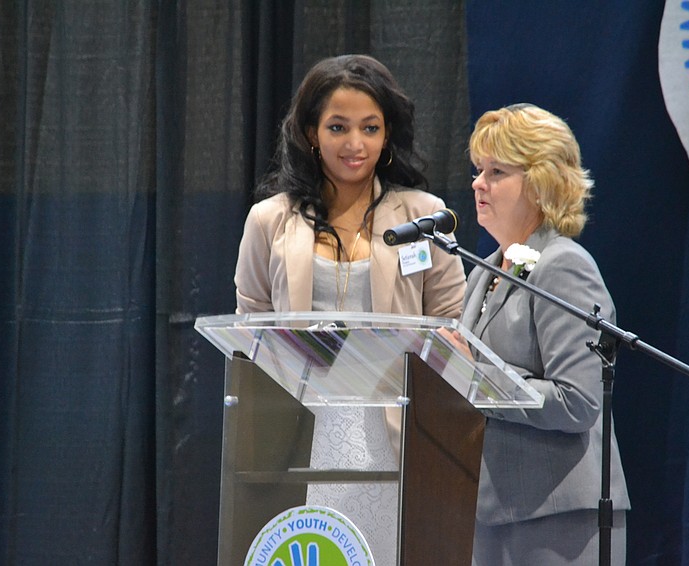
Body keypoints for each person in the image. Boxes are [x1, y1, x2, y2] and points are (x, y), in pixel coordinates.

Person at [234, 54, 465, 566]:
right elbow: (248, 330)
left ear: (388, 136)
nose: (354, 143)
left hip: (398, 431)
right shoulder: (269, 220)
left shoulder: (425, 217)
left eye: (370, 127)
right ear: (311, 133)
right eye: (338, 127)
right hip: (296, 430)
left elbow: (452, 330)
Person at [448, 103, 630, 565]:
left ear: (542, 181)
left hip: (556, 517)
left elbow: (579, 401)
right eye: (477, 170)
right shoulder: (486, 271)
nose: (477, 183)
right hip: (489, 511)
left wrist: (479, 376)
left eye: (496, 171)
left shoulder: (563, 264)